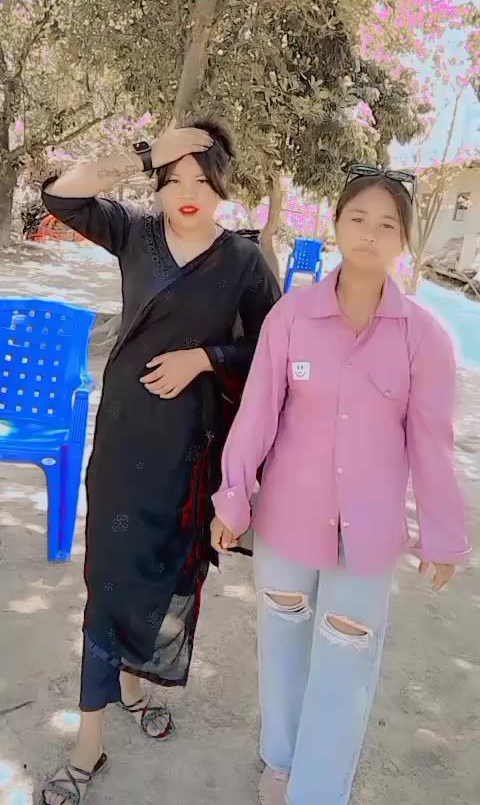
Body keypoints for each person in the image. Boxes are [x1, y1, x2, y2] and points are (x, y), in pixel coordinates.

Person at [211, 166, 469, 805]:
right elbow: (258, 413)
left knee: (346, 663)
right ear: (335, 223)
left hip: (368, 537)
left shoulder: (426, 338)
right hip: (287, 525)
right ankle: (281, 763)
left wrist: (443, 537)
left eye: (387, 224)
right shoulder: (292, 316)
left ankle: (318, 790)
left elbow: (431, 445)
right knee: (283, 647)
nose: (370, 234)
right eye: (358, 218)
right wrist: (233, 498)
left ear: (404, 239)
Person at [40, 118, 280, 805]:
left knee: (164, 572)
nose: (187, 192)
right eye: (173, 179)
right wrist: (149, 151)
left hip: (189, 455)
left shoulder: (242, 261)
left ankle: (134, 684)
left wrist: (205, 357)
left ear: (223, 187)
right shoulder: (136, 234)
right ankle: (89, 740)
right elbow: (61, 195)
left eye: (202, 179)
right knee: (109, 579)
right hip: (124, 441)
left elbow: (272, 349)